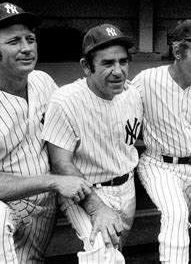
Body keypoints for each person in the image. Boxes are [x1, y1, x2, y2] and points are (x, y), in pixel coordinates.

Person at [0, 2, 93, 263]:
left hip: (44, 207)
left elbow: (64, 133)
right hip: (1, 208)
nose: (27, 48)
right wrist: (54, 181)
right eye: (14, 41)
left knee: (98, 232)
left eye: (30, 39)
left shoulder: (42, 81)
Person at [42, 24, 143, 264]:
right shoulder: (65, 100)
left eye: (123, 62)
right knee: (100, 254)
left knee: (115, 252)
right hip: (84, 189)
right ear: (86, 66)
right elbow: (60, 163)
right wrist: (97, 208)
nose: (118, 71)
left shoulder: (132, 95)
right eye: (107, 63)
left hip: (125, 186)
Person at [132, 19, 191, 263]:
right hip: (158, 164)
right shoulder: (147, 80)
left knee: (181, 225)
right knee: (176, 214)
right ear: (177, 52)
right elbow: (119, 111)